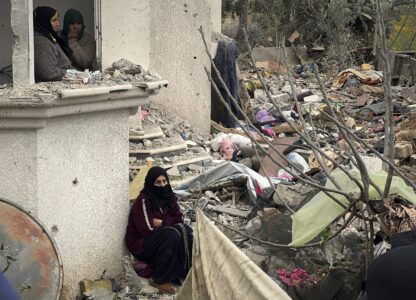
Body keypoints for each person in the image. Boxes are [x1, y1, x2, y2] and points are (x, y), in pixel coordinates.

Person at [125, 166, 192, 294]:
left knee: (185, 230)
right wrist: (168, 224)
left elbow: (180, 219)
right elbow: (147, 229)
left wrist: (161, 222)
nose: (162, 185)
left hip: (159, 238)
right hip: (141, 245)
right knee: (171, 235)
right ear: (151, 183)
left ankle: (183, 272)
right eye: (158, 182)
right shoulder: (143, 200)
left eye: (164, 181)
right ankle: (160, 279)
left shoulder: (170, 197)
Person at [33, 6, 72, 82]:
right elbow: (47, 73)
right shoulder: (42, 41)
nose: (58, 23)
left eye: (57, 20)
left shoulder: (48, 36)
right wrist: (69, 74)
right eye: (54, 20)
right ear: (44, 22)